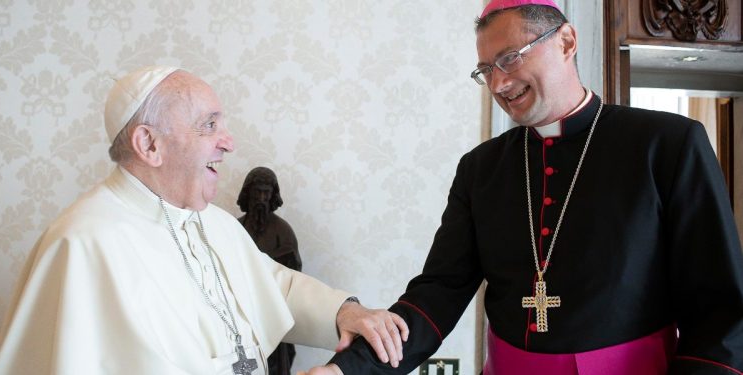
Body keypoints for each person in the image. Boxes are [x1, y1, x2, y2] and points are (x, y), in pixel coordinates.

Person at [305, 0, 743, 374]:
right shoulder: (480, 168)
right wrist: (347, 368)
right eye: (485, 70)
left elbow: (719, 309)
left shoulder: (667, 144)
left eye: (511, 58)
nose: (498, 84)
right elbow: (438, 292)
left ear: (566, 42)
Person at [0, 66, 409, 375]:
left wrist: (344, 311)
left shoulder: (212, 222)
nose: (228, 141)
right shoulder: (81, 244)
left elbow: (271, 285)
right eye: (209, 125)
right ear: (149, 144)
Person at [237, 167, 302, 374]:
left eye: (266, 193)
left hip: (274, 309)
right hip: (243, 311)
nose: (262, 198)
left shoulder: (282, 231)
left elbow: (295, 273)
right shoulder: (235, 228)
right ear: (249, 193)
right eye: (257, 192)